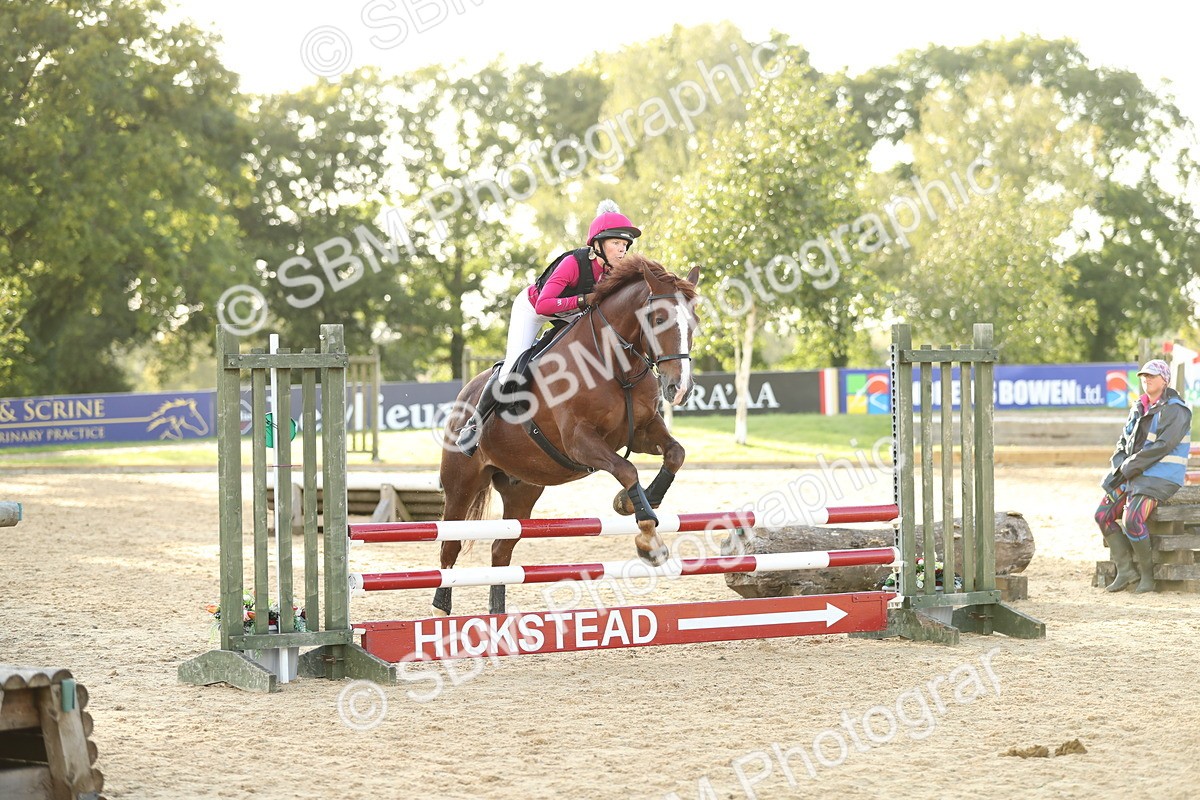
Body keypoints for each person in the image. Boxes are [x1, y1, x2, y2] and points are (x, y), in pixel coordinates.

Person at [456, 200, 642, 454]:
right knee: (512, 366)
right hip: (533, 308)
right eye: (616, 244)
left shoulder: (613, 273)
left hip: (571, 312)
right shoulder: (573, 263)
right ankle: (472, 428)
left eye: (625, 245)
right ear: (597, 244)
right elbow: (544, 305)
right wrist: (581, 300)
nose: (622, 251)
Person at [1095, 359, 1192, 593]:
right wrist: (1119, 465)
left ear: (1165, 380)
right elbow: (1123, 441)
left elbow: (1162, 446)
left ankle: (1148, 577)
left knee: (1132, 519)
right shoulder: (1138, 407)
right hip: (1135, 473)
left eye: (1152, 376)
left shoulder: (1176, 409)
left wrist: (1128, 467)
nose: (1146, 379)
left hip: (1161, 476)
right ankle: (1126, 570)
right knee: (1102, 515)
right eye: (1144, 376)